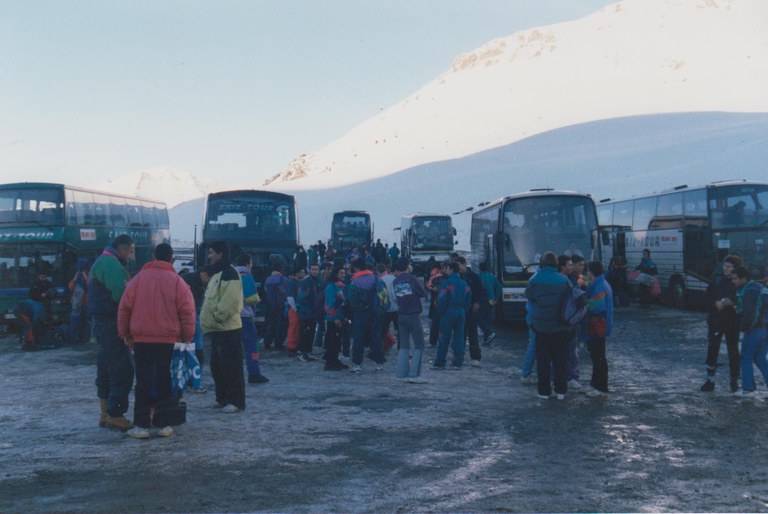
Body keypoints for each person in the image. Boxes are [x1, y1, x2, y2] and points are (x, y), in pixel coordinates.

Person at [118, 243, 196, 439]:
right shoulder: (177, 282)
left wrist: (125, 333)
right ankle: (164, 424)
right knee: (165, 380)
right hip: (168, 340)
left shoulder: (137, 280)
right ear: (171, 259)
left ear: (153, 256)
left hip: (141, 339)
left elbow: (124, 308)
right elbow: (187, 311)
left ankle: (141, 425)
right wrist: (187, 337)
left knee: (143, 381)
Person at [89, 234, 136, 431]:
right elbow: (121, 296)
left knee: (106, 368)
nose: (131, 257)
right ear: (122, 250)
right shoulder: (111, 264)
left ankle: (105, 414)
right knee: (123, 369)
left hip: (99, 323)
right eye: (131, 252)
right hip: (111, 323)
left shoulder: (101, 260)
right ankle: (115, 415)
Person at [200, 241, 245, 413]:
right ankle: (223, 398)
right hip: (218, 329)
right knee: (218, 368)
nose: (209, 256)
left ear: (221, 254)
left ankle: (236, 401)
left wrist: (217, 318)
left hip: (228, 328)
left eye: (212, 252)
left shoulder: (229, 273)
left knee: (231, 367)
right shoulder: (217, 273)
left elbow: (229, 301)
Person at [525, 251, 572, 400]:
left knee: (543, 361)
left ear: (542, 263)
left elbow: (529, 297)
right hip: (561, 327)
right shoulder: (564, 280)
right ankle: (561, 391)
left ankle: (544, 392)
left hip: (541, 326)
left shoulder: (534, 280)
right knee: (560, 360)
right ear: (556, 264)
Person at [700, 255, 742, 392]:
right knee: (712, 350)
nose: (726, 269)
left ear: (735, 268)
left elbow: (743, 301)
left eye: (729, 266)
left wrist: (732, 303)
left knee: (733, 351)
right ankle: (710, 380)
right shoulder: (717, 280)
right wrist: (715, 303)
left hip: (732, 322)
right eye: (725, 266)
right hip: (716, 321)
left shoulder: (739, 282)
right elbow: (706, 298)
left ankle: (734, 381)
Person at [730, 266, 768, 397]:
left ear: (743, 279)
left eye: (735, 279)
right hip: (764, 328)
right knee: (760, 358)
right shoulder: (758, 288)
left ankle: (748, 389)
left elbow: (750, 314)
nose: (733, 281)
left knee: (746, 357)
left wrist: (744, 327)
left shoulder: (750, 291)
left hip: (754, 329)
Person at [234, 254, 269, 385]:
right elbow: (251, 298)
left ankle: (234, 374)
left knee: (234, 347)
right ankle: (254, 373)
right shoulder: (246, 276)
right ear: (248, 263)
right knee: (252, 346)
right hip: (245, 316)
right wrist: (258, 299)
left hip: (232, 317)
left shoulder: (230, 275)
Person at [392, 258, 428, 383]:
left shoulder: (395, 281)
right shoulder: (411, 279)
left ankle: (401, 373)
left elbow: (395, 297)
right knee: (419, 344)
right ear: (407, 266)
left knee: (404, 345)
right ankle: (414, 374)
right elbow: (423, 293)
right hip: (413, 314)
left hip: (401, 315)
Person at [432, 261, 471, 370]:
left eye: (447, 269)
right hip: (461, 312)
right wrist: (464, 311)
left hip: (448, 312)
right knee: (459, 338)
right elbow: (468, 300)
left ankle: (440, 362)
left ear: (451, 269)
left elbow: (442, 299)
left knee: (443, 337)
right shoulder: (464, 283)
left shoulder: (446, 283)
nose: (446, 270)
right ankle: (458, 362)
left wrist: (441, 311)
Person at [347, 258, 383, 373]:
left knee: (358, 339)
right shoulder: (376, 279)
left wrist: (362, 307)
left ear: (356, 268)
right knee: (376, 338)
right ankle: (379, 363)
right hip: (375, 313)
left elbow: (352, 300)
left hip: (360, 314)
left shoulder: (354, 282)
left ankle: (357, 364)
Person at [583, 261, 614, 398]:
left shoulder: (599, 286)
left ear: (591, 272)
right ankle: (595, 383)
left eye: (588, 271)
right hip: (600, 325)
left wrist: (584, 303)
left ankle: (601, 387)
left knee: (598, 356)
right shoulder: (601, 283)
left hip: (597, 326)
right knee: (596, 356)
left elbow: (597, 307)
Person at [181, 267, 210, 393]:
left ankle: (187, 381)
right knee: (196, 350)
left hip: (187, 318)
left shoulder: (187, 278)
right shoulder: (194, 283)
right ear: (204, 274)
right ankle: (195, 382)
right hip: (192, 318)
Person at [457, 256, 486, 367]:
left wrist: (478, 303)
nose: (457, 268)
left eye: (458, 265)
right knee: (461, 333)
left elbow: (482, 291)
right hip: (461, 309)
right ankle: (460, 356)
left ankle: (475, 357)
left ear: (464, 264)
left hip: (472, 308)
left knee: (472, 333)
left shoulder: (474, 277)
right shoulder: (458, 277)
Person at [322, 266, 349, 371]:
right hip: (333, 318)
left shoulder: (341, 286)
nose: (343, 275)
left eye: (344, 273)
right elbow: (329, 304)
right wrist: (335, 318)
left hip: (340, 316)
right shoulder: (331, 287)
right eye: (341, 273)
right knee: (332, 340)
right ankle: (330, 362)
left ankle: (335, 360)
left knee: (337, 341)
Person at [296, 263, 322, 362]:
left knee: (311, 333)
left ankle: (308, 352)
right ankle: (302, 352)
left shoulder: (319, 282)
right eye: (313, 269)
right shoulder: (305, 282)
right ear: (310, 270)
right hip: (305, 312)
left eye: (316, 269)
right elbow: (301, 297)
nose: (314, 271)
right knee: (304, 334)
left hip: (314, 312)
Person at [263, 265, 289, 351]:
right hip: (280, 306)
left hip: (270, 305)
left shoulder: (267, 279)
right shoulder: (283, 279)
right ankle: (278, 344)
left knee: (270, 324)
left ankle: (267, 342)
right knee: (280, 326)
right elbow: (285, 292)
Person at [376, 263, 399, 354]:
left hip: (385, 309)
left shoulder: (379, 280)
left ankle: (382, 349)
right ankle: (402, 349)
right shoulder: (393, 278)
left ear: (378, 272)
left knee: (382, 330)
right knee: (400, 330)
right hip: (396, 308)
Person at [478, 262, 502, 346]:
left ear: (480, 268)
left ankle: (490, 333)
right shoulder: (492, 277)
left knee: (479, 319)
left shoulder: (479, 277)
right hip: (492, 301)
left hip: (483, 301)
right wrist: (496, 299)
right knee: (488, 320)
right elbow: (499, 287)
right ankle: (487, 339)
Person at [67, 257, 90, 345]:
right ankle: (84, 338)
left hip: (78, 303)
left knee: (77, 321)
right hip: (84, 303)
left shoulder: (77, 275)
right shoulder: (83, 275)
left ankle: (76, 338)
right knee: (85, 321)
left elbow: (71, 287)